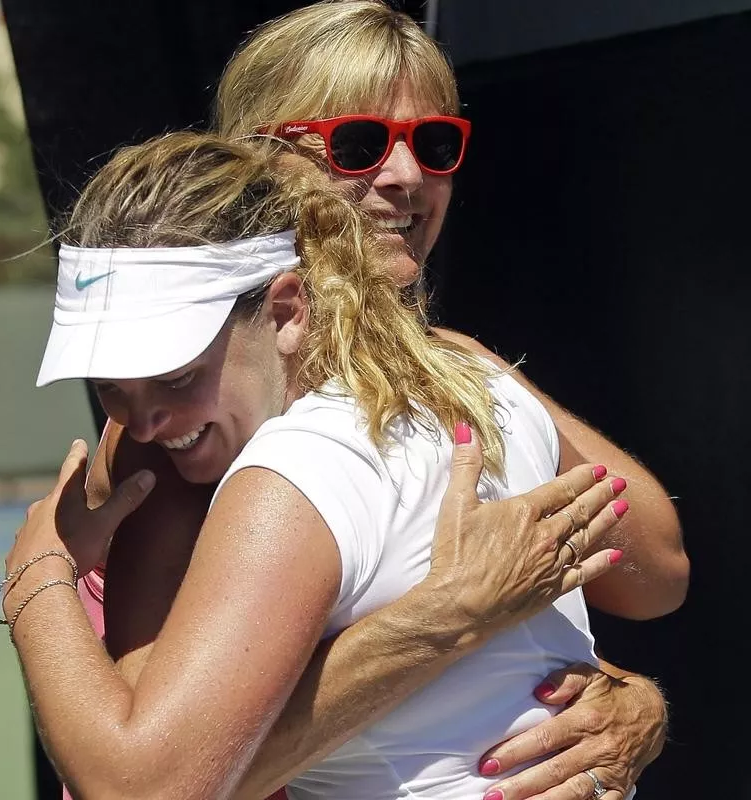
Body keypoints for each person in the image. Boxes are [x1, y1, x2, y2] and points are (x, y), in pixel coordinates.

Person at [71, 3, 681, 799]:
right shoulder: (184, 421)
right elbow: (157, 769)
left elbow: (658, 571)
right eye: (358, 145)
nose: (405, 176)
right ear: (257, 160)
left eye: (434, 144)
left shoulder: (460, 370)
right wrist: (449, 618)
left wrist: (628, 699)